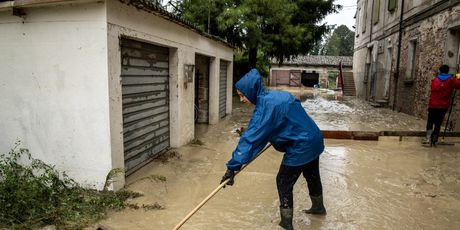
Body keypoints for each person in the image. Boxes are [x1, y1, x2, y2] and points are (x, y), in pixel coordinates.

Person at [220, 69, 326, 230]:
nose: (241, 100)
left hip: (301, 146)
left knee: (283, 181)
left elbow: (250, 140)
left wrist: (231, 167)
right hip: (314, 139)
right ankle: (318, 208)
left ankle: (286, 224)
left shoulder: (265, 108)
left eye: (243, 95)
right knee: (312, 175)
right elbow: (288, 120)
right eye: (239, 96)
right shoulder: (278, 96)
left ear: (251, 91)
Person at [423, 64, 460, 146]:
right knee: (438, 123)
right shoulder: (451, 80)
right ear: (448, 71)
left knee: (430, 121)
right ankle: (435, 140)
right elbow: (458, 85)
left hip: (432, 105)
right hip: (443, 106)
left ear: (440, 71)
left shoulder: (434, 80)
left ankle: (428, 138)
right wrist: (458, 78)